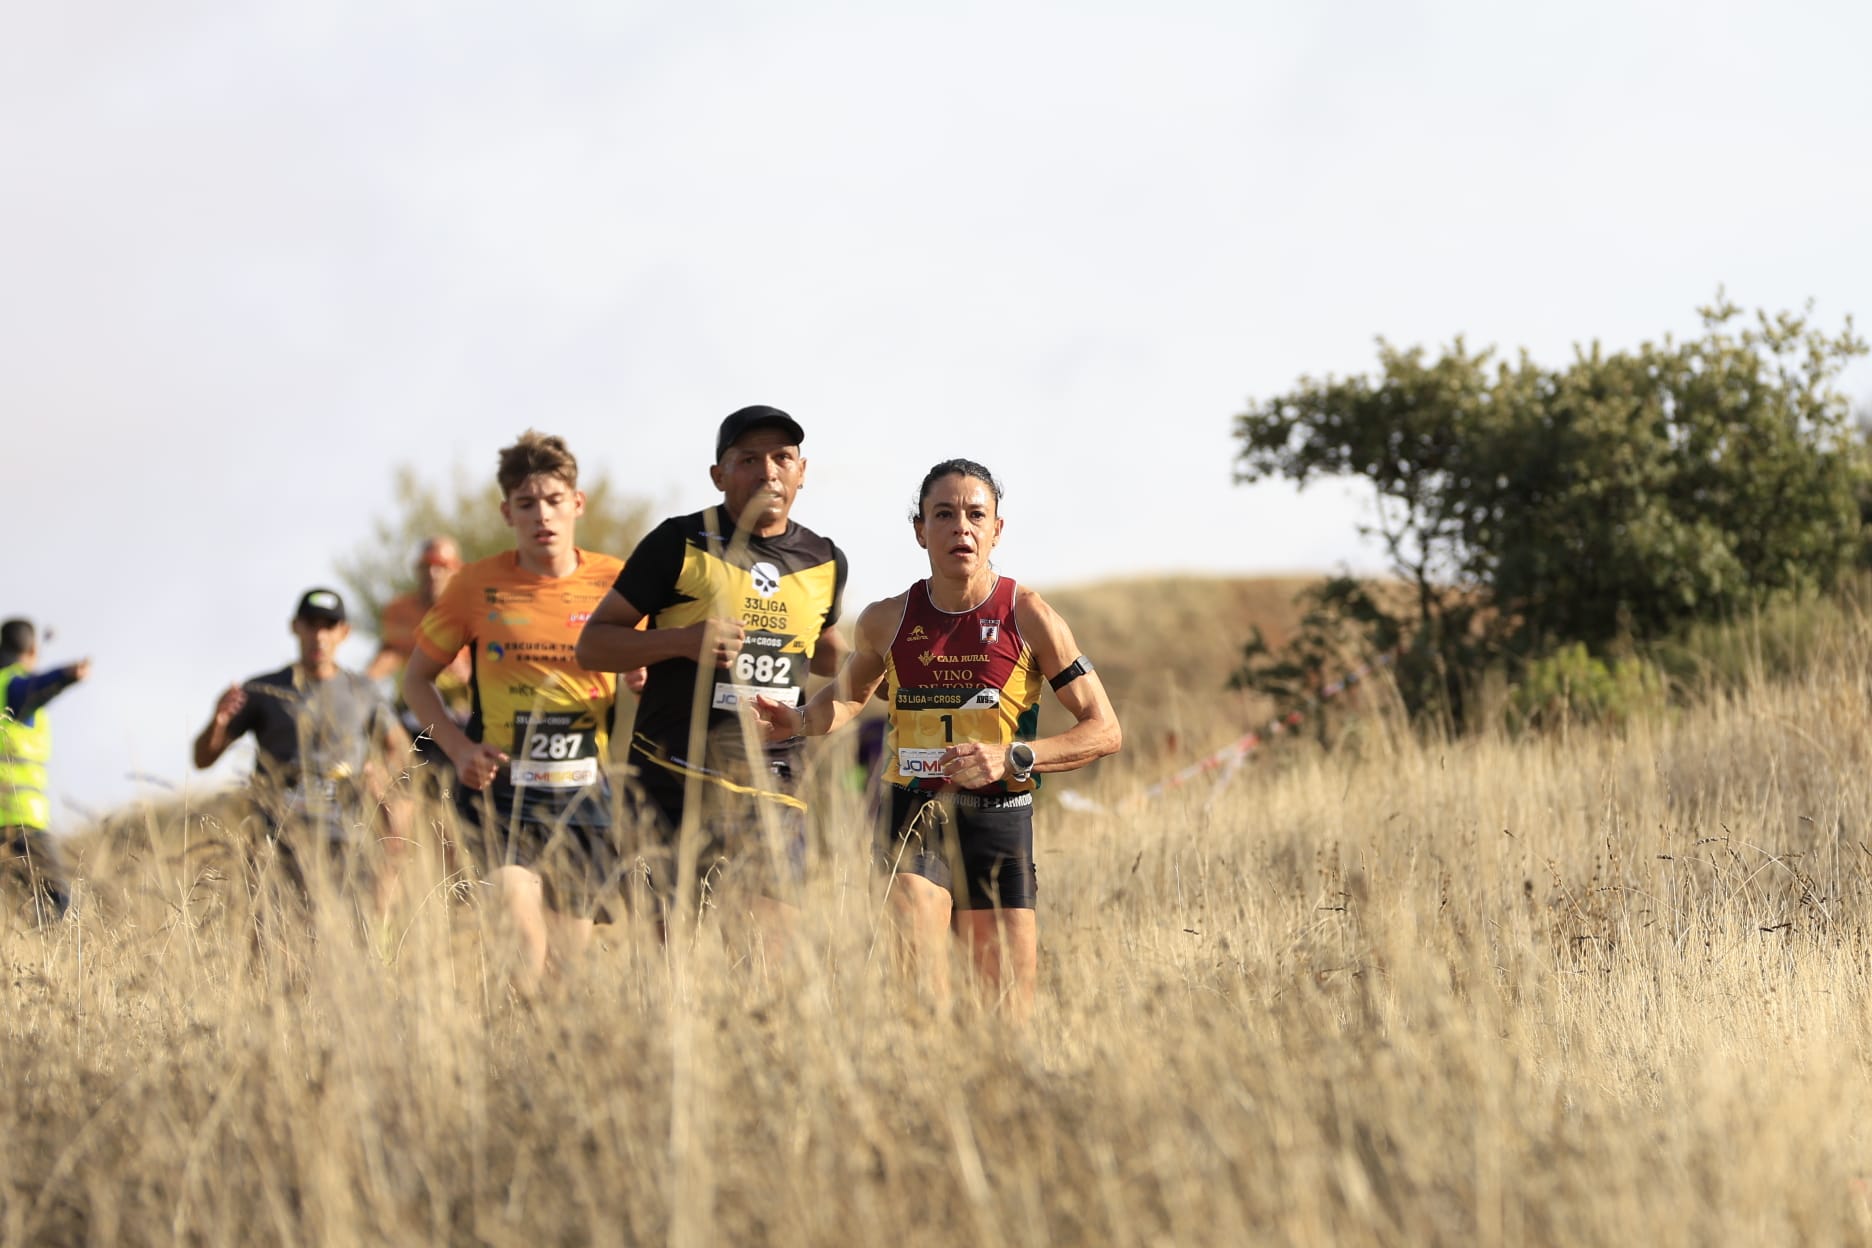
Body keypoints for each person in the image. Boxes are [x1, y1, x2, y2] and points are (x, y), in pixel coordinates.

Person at [753, 458, 1121, 1018]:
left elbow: (1104, 730)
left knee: (1004, 1017)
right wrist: (798, 721)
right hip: (912, 813)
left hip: (999, 818)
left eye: (976, 514)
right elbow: (851, 694)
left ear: (997, 528)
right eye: (943, 515)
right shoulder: (887, 619)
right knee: (919, 1002)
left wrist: (1013, 756)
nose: (961, 528)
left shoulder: (1031, 617)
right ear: (921, 531)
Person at [576, 405, 850, 932]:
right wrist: (680, 641)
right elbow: (593, 646)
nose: (768, 470)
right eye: (748, 459)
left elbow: (827, 650)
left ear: (801, 472)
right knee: (670, 964)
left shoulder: (825, 560)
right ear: (719, 475)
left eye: (782, 457)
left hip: (773, 782)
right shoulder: (678, 541)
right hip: (673, 778)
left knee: (765, 965)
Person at [401, 431, 628, 993]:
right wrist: (458, 751)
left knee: (564, 972)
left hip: (584, 799)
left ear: (578, 503)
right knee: (523, 946)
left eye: (553, 501)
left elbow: (650, 673)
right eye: (526, 504)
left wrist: (640, 680)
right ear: (507, 512)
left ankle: (541, 1067)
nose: (541, 516)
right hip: (503, 794)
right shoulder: (475, 585)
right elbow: (416, 681)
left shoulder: (616, 581)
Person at [193, 588, 410, 920]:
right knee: (279, 944)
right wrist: (218, 722)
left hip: (347, 838)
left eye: (328, 625)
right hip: (277, 841)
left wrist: (380, 776)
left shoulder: (363, 691)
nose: (319, 635)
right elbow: (203, 758)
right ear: (295, 627)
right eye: (311, 625)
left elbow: (401, 750)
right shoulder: (263, 691)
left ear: (344, 632)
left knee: (348, 939)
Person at [0, 618, 91, 919]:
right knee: (57, 900)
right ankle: (41, 964)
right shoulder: (11, 684)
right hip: (17, 823)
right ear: (32, 650)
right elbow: (32, 688)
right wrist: (67, 675)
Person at [367, 536, 473, 755]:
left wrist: (465, 673)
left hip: (460, 708)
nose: (433, 574)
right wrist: (362, 682)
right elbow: (389, 653)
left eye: (441, 566)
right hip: (414, 703)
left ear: (457, 570)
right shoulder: (400, 610)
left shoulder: (475, 611)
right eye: (426, 566)